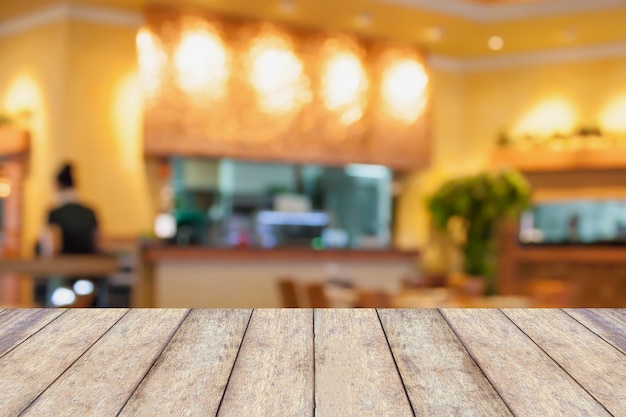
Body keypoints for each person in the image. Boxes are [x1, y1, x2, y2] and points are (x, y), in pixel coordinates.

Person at [42, 162, 101, 307]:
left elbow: (53, 246)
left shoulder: (55, 213)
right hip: (88, 274)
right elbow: (98, 242)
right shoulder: (90, 212)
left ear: (58, 186)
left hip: (64, 276)